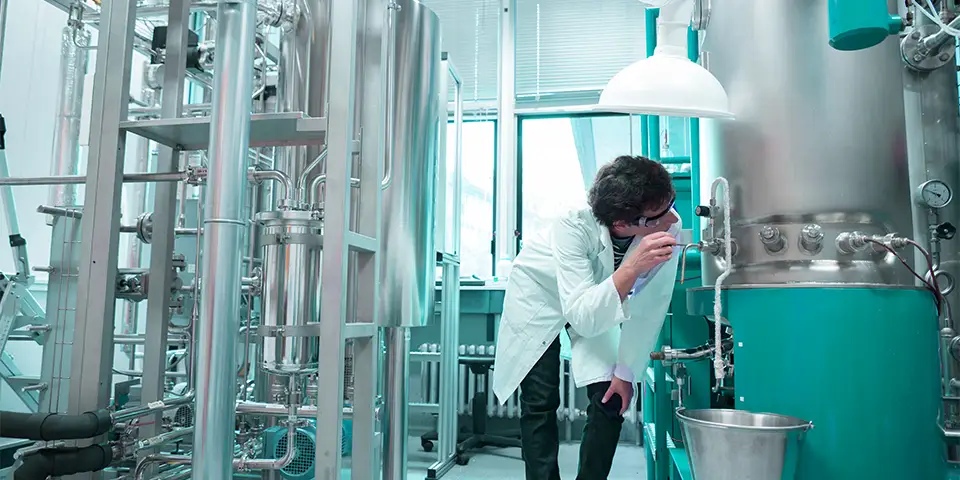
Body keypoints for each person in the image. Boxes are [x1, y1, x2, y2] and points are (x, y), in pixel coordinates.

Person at [492, 155, 682, 480]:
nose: (671, 219)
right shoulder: (572, 224)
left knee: (611, 394)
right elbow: (580, 315)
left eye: (670, 206)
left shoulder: (667, 224)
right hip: (540, 295)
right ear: (623, 223)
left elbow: (651, 306)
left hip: (597, 295)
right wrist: (633, 266)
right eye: (658, 216)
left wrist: (627, 371)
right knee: (540, 400)